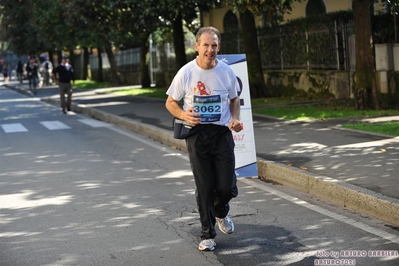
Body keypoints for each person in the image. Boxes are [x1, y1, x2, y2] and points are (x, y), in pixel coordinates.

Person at [165, 26, 243, 251]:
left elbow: (234, 99)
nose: (210, 49)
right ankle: (207, 235)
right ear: (197, 46)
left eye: (214, 45)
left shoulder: (227, 71)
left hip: (221, 134)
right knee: (205, 186)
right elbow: (170, 102)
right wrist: (183, 113)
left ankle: (220, 212)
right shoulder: (187, 72)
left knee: (228, 186)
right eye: (206, 45)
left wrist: (235, 119)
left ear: (219, 47)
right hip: (197, 135)